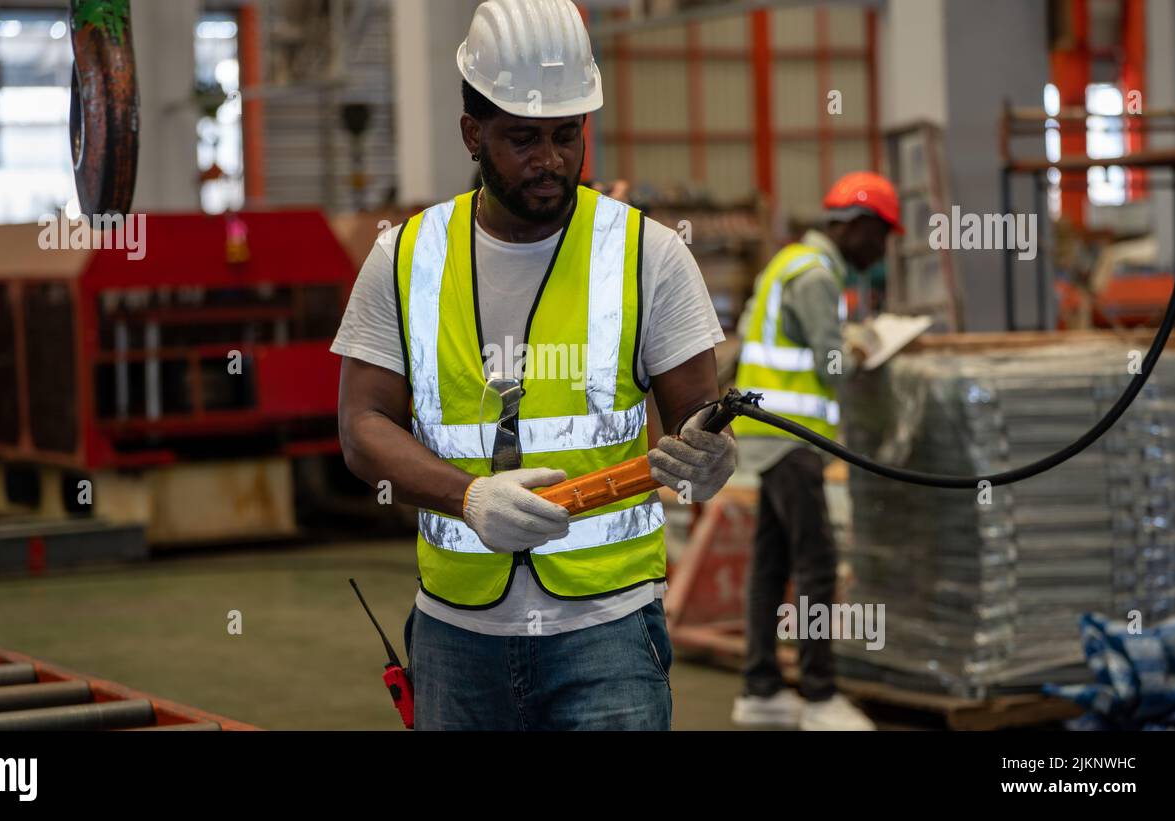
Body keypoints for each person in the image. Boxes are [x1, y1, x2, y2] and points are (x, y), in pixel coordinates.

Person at [333, 0, 736, 730]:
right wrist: (470, 497)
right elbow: (362, 425)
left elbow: (697, 420)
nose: (549, 159)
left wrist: (710, 457)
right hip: (459, 635)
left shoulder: (648, 255)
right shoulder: (406, 258)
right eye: (522, 138)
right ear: (471, 134)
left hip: (607, 634)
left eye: (566, 134)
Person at [730, 171, 903, 731]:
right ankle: (821, 697)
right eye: (883, 236)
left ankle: (761, 688)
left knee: (772, 560)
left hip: (772, 433)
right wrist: (866, 347)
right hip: (790, 438)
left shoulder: (790, 263)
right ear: (858, 227)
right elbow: (829, 365)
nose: (883, 251)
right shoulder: (816, 274)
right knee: (817, 563)